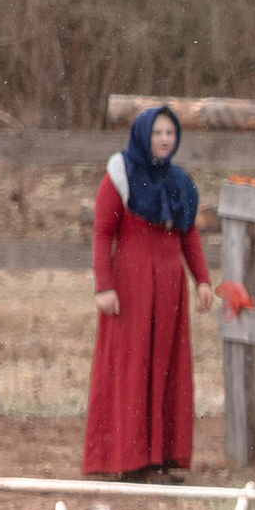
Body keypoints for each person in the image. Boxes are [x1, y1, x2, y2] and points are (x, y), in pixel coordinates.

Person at [86, 106, 213, 481]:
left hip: (170, 290)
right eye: (157, 132)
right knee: (132, 365)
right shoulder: (120, 176)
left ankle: (162, 456)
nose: (164, 139)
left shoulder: (180, 182)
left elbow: (189, 234)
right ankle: (128, 458)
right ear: (144, 134)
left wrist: (202, 280)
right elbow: (102, 234)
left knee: (166, 367)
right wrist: (104, 286)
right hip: (131, 288)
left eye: (170, 133)